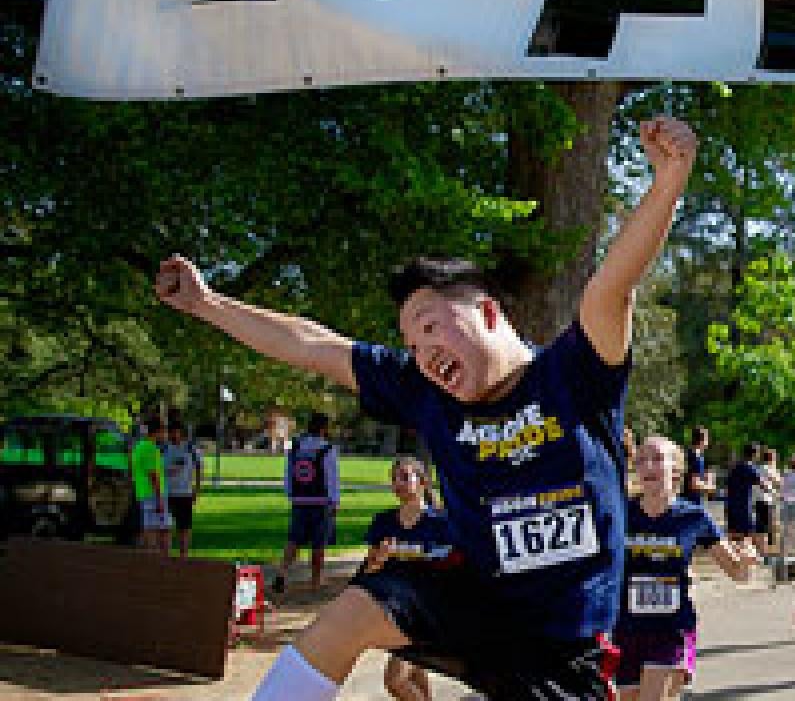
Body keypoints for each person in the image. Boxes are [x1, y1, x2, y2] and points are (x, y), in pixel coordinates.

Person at [157, 116, 697, 701]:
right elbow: (312, 345)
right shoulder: (424, 392)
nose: (423, 353)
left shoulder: (574, 374)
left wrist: (669, 178)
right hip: (477, 607)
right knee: (355, 609)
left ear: (488, 314)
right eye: (412, 345)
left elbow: (611, 287)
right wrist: (206, 304)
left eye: (432, 328)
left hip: (567, 647)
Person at [615, 436, 758, 701]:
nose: (648, 466)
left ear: (676, 469)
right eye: (642, 460)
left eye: (657, 459)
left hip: (672, 627)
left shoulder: (693, 517)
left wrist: (747, 561)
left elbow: (736, 572)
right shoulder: (621, 514)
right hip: (626, 628)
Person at [359, 456, 460, 701]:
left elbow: (455, 569)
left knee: (395, 680)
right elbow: (369, 570)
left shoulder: (441, 523)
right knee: (415, 674)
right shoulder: (383, 522)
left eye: (405, 476)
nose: (398, 483)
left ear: (423, 482)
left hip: (428, 612)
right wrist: (380, 558)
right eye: (394, 478)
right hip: (397, 611)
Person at [274, 412, 341, 594]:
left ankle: (282, 572)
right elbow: (331, 477)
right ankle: (316, 581)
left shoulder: (296, 447)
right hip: (321, 501)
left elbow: (289, 473)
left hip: (300, 500)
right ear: (323, 428)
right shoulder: (327, 449)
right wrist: (335, 501)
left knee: (294, 540)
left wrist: (290, 494)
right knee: (319, 543)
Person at [163, 409, 203, 558]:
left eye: (175, 432)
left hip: (185, 493)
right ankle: (165, 554)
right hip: (168, 493)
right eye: (170, 432)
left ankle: (183, 555)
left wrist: (196, 489)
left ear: (181, 433)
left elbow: (199, 468)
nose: (173, 435)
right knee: (165, 526)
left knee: (184, 527)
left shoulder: (190, 449)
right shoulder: (164, 449)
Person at [724, 443, 775, 556]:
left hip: (730, 505)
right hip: (743, 506)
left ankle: (735, 556)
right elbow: (763, 484)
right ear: (755, 454)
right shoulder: (749, 468)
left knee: (734, 533)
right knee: (750, 533)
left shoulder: (735, 467)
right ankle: (760, 555)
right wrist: (774, 491)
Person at [133, 416, 171, 552]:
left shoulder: (139, 446)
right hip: (153, 494)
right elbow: (152, 475)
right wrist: (160, 499)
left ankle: (147, 558)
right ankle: (161, 562)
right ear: (158, 431)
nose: (165, 435)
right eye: (164, 431)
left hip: (144, 493)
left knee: (149, 527)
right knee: (163, 530)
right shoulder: (150, 448)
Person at [680, 426, 714, 504]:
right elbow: (694, 483)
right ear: (703, 440)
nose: (708, 442)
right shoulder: (696, 458)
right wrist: (709, 486)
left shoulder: (689, 454)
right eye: (707, 439)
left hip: (685, 500)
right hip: (691, 502)